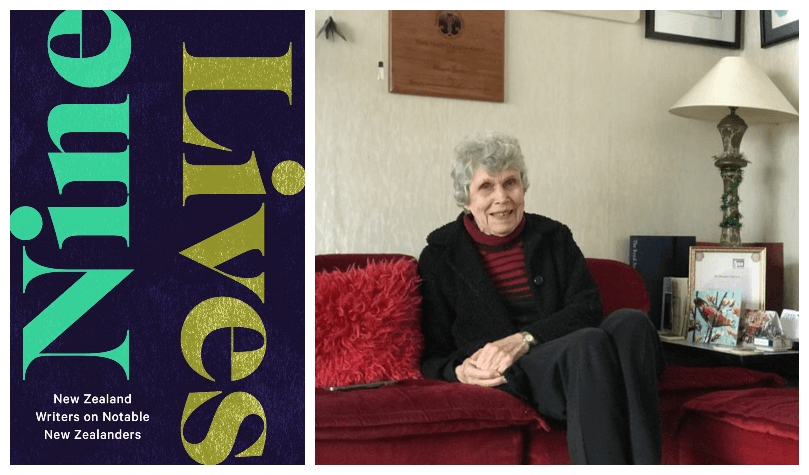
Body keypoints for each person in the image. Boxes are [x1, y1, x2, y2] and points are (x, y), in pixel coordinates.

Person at [418, 131, 665, 464]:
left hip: (571, 354)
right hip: (518, 373)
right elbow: (431, 353)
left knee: (632, 323)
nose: (502, 197)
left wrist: (524, 339)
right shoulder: (440, 256)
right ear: (466, 198)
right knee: (588, 343)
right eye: (486, 186)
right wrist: (458, 371)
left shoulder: (553, 236)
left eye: (510, 182)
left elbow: (587, 308)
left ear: (523, 187)